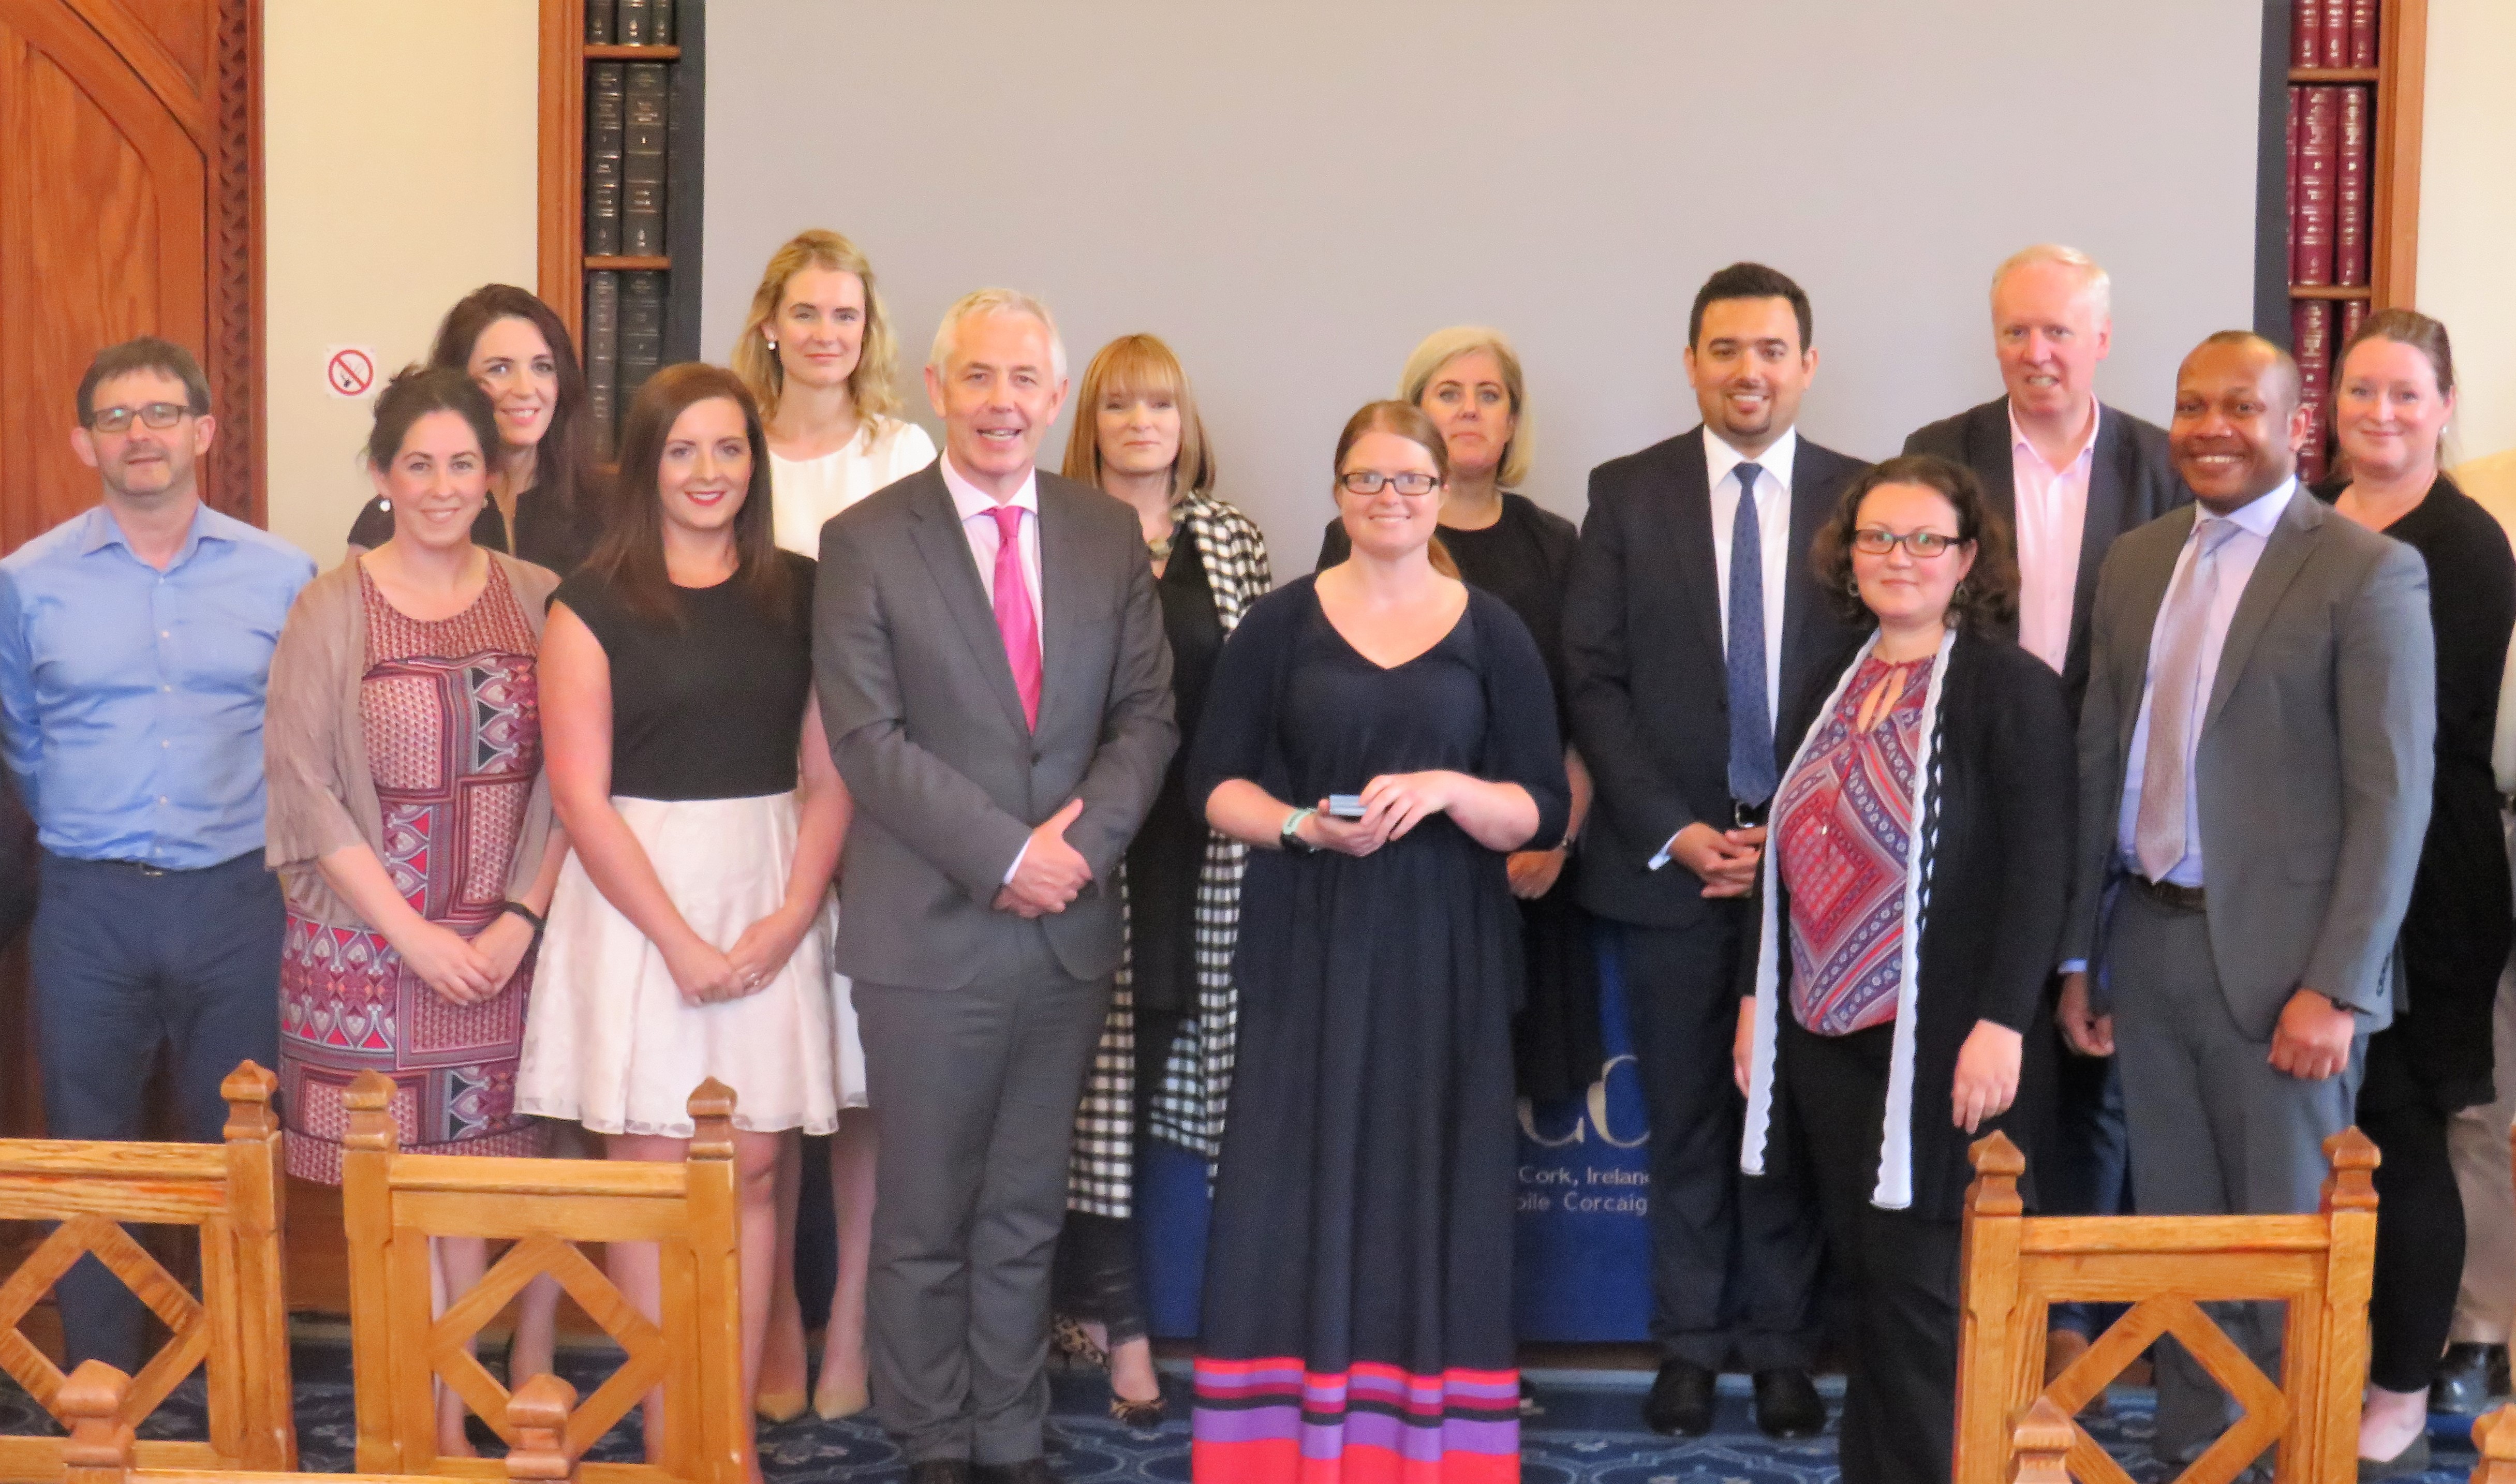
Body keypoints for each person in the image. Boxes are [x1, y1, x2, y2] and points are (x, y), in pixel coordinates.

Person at [813, 289, 1175, 1484]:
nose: (1001, 402)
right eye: (978, 377)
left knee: (1025, 1211)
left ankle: (1010, 1436)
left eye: (1024, 380)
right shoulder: (868, 539)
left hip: (1065, 933)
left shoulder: (1101, 535)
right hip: (926, 936)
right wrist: (1007, 853)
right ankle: (931, 1441)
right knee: (922, 1218)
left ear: (1054, 397)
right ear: (935, 386)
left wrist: (1076, 848)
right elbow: (869, 742)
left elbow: (1144, 719)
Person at [2058, 332, 2436, 1472]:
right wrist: (2081, 954)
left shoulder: (2366, 571)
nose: (2211, 427)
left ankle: (2300, 1462)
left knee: (2290, 1266)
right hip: (2150, 946)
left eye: (2241, 407)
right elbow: (2098, 763)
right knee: (2181, 1255)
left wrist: (2336, 986)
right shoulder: (2133, 562)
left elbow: (2392, 799)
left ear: (2292, 424)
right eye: (2189, 406)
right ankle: (2194, 1458)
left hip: (2287, 979)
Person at [1189, 400, 1568, 1483]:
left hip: (1445, 949)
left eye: (1410, 480)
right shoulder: (1278, 624)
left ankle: (1425, 1454)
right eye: (1368, 480)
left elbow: (1540, 810)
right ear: (1337, 493)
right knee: (1287, 1187)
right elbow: (1212, 786)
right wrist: (1304, 825)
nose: (1390, 499)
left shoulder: (1491, 630)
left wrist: (1452, 789)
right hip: (1306, 942)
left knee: (1433, 1189)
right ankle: (1281, 1451)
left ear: (1442, 493)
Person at [516, 362, 849, 1484]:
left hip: (771, 890)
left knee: (753, 1173)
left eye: (730, 449)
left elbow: (830, 770)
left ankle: (729, 1439)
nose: (710, 472)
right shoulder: (590, 603)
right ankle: (672, 1444)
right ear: (646, 468)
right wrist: (680, 942)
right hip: (638, 908)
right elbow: (578, 798)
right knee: (661, 1187)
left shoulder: (804, 592)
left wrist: (793, 912)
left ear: (754, 466)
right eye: (683, 450)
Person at [1561, 262, 1857, 1438]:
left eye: (1771, 349)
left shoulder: (1864, 496)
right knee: (1684, 1115)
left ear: (1806, 364)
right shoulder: (1625, 494)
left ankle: (1782, 1345)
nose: (1748, 371)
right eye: (1725, 349)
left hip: (1820, 877)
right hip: (1670, 866)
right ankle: (1685, 1346)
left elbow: (1882, 679)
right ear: (1690, 363)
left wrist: (1797, 840)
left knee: (1785, 1118)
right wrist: (1676, 830)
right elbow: (1592, 673)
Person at [1734, 454, 2071, 1484]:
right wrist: (1757, 1002)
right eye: (1879, 537)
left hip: (1952, 1041)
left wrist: (2002, 1020)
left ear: (1966, 558)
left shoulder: (2008, 687)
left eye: (1926, 539)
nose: (1900, 558)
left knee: (1932, 1294)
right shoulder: (1831, 679)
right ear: (1848, 553)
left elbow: (2039, 862)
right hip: (1830, 1037)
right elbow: (1781, 846)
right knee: (1872, 1288)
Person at [264, 366, 570, 1454]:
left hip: (501, 950)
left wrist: (515, 925)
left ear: (495, 474)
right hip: (367, 956)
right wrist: (411, 936)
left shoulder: (540, 595)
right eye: (418, 465)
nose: (442, 487)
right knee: (396, 1208)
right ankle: (410, 1421)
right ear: (382, 476)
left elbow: (571, 782)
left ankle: (449, 1413)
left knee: (470, 1198)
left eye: (462, 464)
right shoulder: (330, 604)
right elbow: (302, 783)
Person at [1901, 244, 2189, 1381]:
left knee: (2097, 1043)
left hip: (2124, 795)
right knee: (1989, 1029)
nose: (2037, 353)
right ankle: (1994, 1300)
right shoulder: (1938, 457)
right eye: (2017, 332)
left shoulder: (2166, 467)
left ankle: (2079, 1307)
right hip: (1976, 793)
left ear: (2101, 341)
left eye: (2060, 332)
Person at [0, 336, 314, 1372]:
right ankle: (105, 1390)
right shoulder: (25, 583)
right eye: (120, 417)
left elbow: (302, 740)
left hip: (237, 900)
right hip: (89, 908)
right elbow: (24, 746)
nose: (143, 434)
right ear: (85, 439)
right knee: (92, 1157)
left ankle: (243, 1382)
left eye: (164, 412)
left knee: (239, 1156)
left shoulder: (284, 576)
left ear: (204, 432)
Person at [733, 228, 934, 1426]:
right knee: (773, 1062)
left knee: (859, 1076)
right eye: (803, 313)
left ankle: (849, 1320)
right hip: (748, 781)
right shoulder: (727, 445)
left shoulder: (899, 450)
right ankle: (773, 1322)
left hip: (873, 783)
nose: (823, 334)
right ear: (769, 321)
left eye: (843, 316)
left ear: (868, 332)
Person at [2310, 310, 2516, 1474]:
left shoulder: (2467, 544)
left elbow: (2426, 739)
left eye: (2402, 395)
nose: (2377, 415)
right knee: (2318, 1139)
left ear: (2443, 408)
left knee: (2409, 1130)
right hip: (2304, 865)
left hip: (2426, 873)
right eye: (2358, 393)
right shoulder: (2301, 520)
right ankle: (2323, 1358)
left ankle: (2399, 1384)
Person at [1052, 333, 1269, 1427]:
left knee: (1159, 1100)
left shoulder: (1231, 540)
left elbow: (1263, 698)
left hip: (1207, 855)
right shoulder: (1049, 529)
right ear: (1089, 418)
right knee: (1093, 1104)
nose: (1144, 424)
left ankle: (1138, 1314)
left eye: (1162, 406)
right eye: (1122, 405)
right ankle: (1120, 1330)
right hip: (1084, 853)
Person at [1316, 326, 1599, 1103]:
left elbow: (1588, 711)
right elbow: (1333, 714)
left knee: (1500, 1093)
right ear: (1410, 418)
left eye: (1489, 395)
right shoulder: (1359, 539)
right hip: (1395, 875)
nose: (1469, 411)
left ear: (1512, 421)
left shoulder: (1555, 546)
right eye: (1448, 393)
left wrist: (1557, 839)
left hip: (1528, 872)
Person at [347, 285, 606, 574]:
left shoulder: (608, 512)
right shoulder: (400, 511)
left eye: (543, 367)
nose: (525, 389)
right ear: (458, 383)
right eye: (500, 369)